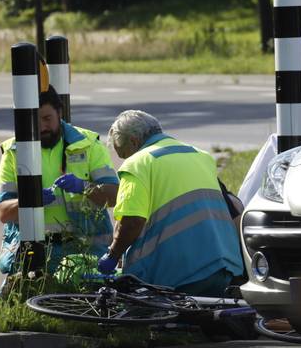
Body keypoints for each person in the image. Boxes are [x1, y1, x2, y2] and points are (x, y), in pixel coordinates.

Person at [97, 110, 243, 297]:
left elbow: (132, 221)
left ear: (134, 141)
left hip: (179, 274)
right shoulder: (200, 156)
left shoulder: (138, 164)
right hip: (223, 264)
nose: (125, 159)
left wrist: (112, 256)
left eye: (124, 153)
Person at [0, 87, 119, 277]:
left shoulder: (89, 145)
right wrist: (30, 201)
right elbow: (3, 212)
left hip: (85, 252)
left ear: (59, 113)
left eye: (47, 119)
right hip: (36, 253)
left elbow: (114, 197)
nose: (41, 127)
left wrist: (85, 187)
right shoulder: (14, 151)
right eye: (34, 120)